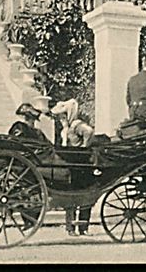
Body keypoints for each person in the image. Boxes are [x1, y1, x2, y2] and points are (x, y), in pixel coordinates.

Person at [56, 100, 94, 236]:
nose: (61, 120)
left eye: (63, 116)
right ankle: (70, 227)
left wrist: (84, 147)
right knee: (70, 197)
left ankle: (83, 227)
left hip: (81, 165)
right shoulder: (65, 130)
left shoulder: (76, 125)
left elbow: (89, 132)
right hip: (71, 165)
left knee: (85, 196)